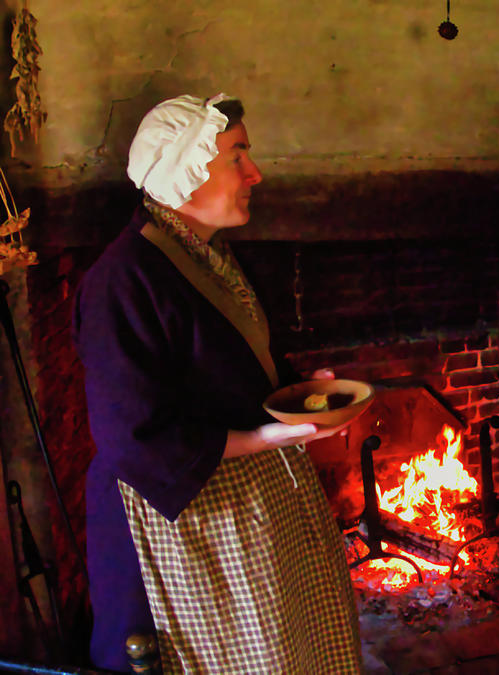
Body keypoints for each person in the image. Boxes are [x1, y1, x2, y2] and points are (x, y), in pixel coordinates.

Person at [72, 94, 362, 673]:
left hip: (251, 497)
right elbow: (133, 438)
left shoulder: (208, 254)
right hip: (186, 517)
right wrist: (263, 438)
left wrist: (298, 390)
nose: (255, 173)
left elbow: (222, 366)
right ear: (187, 167)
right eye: (237, 156)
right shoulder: (121, 280)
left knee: (294, 645)